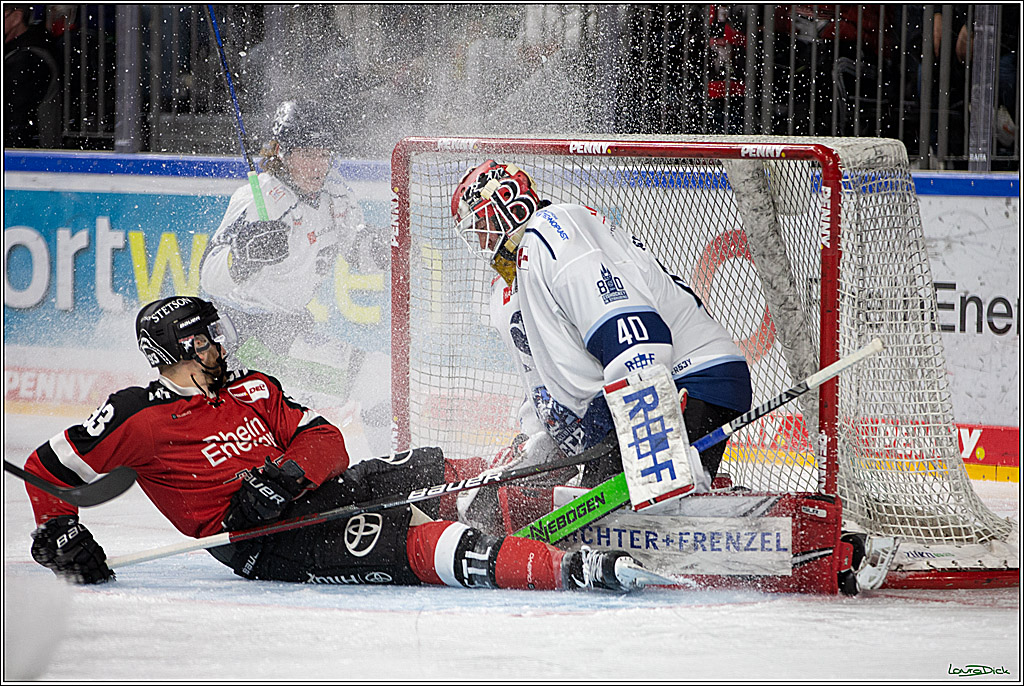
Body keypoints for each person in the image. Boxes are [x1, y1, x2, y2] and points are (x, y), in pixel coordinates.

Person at [22, 295, 649, 594]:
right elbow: (46, 466)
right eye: (209, 339)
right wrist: (61, 533)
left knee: (425, 466)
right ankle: (571, 570)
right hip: (259, 541)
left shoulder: (251, 387)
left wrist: (289, 474)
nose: (221, 346)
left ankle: (561, 491)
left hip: (307, 493)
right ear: (181, 350)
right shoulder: (139, 414)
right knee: (414, 537)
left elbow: (326, 437)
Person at [449, 161, 753, 528]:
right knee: (587, 519)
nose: (481, 241)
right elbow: (544, 380)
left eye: (481, 225)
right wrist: (538, 446)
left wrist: (656, 453)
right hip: (646, 391)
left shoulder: (553, 234)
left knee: (638, 519)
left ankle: (700, 512)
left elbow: (633, 334)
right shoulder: (520, 272)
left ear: (510, 208)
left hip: (692, 378)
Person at [199, 100, 390, 456]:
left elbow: (356, 251)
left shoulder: (337, 193)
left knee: (376, 381)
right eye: (306, 153)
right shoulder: (258, 199)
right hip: (248, 340)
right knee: (379, 378)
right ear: (283, 153)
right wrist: (242, 257)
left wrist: (381, 249)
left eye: (324, 154)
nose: (317, 166)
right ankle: (393, 477)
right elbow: (209, 275)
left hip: (290, 333)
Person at [4, 3, 60, 148]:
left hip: (29, 153)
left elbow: (16, 117)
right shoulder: (18, 53)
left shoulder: (28, 58)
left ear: (16, 17)